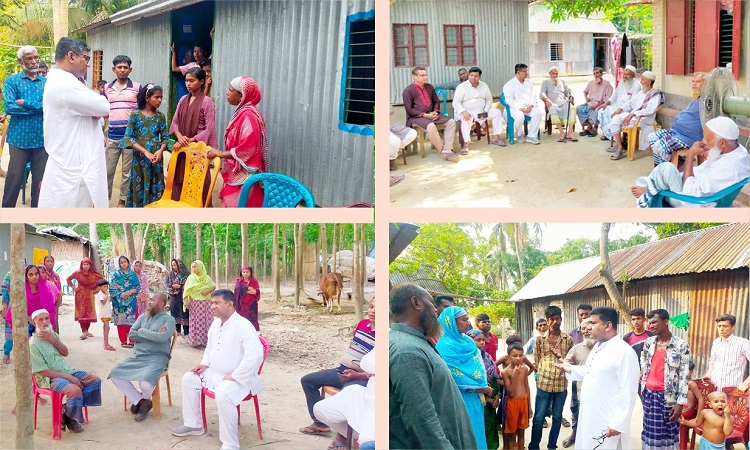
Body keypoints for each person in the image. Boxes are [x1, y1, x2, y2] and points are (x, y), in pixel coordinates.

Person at [171, 289, 264, 450]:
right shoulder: (215, 323)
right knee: (189, 378)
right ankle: (194, 425)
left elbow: (255, 356)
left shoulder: (243, 325)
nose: (212, 306)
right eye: (211, 303)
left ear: (229, 304)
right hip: (215, 373)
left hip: (239, 379)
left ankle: (230, 444)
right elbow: (210, 347)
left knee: (223, 393)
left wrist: (235, 376)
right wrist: (204, 363)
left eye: (216, 303)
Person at [389, 284, 477, 449]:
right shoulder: (407, 351)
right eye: (431, 302)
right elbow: (422, 419)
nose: (436, 309)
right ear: (416, 303)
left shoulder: (415, 343)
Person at [39, 37, 111, 208]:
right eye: (85, 58)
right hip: (74, 167)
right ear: (71, 56)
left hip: (69, 161)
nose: (88, 64)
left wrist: (94, 112)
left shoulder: (62, 81)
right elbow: (104, 106)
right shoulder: (65, 84)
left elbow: (97, 111)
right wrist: (96, 111)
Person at [555, 307, 640, 450]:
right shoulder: (598, 347)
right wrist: (571, 369)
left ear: (608, 325)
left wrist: (618, 423)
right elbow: (594, 372)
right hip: (590, 415)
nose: (588, 327)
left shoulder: (624, 352)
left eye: (593, 323)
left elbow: (628, 392)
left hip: (607, 418)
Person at [300, 300, 375, 448]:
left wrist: (356, 375)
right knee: (307, 380)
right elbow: (352, 346)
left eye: (378, 310)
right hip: (341, 371)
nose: (372, 311)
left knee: (347, 399)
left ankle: (343, 437)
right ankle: (320, 423)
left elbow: (377, 371)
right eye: (372, 307)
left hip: (361, 379)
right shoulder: (362, 324)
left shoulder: (388, 335)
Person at [631, 116, 750, 207]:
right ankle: (652, 187)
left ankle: (649, 193)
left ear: (722, 143)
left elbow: (690, 192)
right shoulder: (739, 152)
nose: (703, 141)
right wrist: (712, 153)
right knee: (650, 179)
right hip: (703, 191)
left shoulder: (729, 168)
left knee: (666, 169)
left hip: (691, 202)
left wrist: (690, 155)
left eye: (707, 138)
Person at [30, 308, 102, 433]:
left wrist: (53, 340)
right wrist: (70, 378)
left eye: (46, 318)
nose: (45, 322)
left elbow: (65, 352)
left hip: (66, 370)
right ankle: (72, 418)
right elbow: (43, 371)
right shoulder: (33, 344)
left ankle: (66, 412)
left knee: (95, 381)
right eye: (40, 320)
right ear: (34, 322)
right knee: (74, 390)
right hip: (49, 378)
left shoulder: (53, 335)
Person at [110, 292, 176, 422]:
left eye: (152, 300)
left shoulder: (169, 320)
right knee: (115, 375)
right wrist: (153, 335)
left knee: (145, 383)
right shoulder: (143, 317)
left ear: (161, 303)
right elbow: (131, 335)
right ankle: (142, 401)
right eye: (149, 299)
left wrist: (143, 332)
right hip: (138, 355)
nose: (149, 302)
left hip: (157, 357)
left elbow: (162, 337)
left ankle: (143, 400)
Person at [206, 76, 269, 207]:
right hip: (237, 169)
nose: (227, 93)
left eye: (230, 90)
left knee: (239, 206)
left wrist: (221, 154)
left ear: (241, 96)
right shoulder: (243, 112)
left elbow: (248, 148)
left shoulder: (248, 116)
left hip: (244, 174)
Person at [436, 306, 492, 449]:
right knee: (465, 434)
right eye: (464, 319)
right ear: (451, 322)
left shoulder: (467, 340)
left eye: (468, 319)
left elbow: (477, 366)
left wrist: (481, 388)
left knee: (477, 431)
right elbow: (452, 376)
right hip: (459, 397)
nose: (468, 322)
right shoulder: (444, 345)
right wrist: (481, 388)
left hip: (476, 398)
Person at [2, 45, 47, 208]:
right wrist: (38, 108)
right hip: (18, 140)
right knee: (14, 181)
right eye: (29, 58)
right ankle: (6, 215)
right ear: (20, 61)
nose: (34, 61)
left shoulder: (46, 83)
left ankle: (37, 216)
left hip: (42, 140)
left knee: (40, 183)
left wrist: (27, 104)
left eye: (36, 57)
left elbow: (49, 107)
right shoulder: (12, 81)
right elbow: (10, 107)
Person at [640, 309, 690, 450]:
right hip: (649, 394)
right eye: (649, 323)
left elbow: (684, 375)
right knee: (650, 431)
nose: (651, 326)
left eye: (654, 322)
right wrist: (643, 369)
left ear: (666, 322)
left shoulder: (681, 345)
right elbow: (643, 357)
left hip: (668, 397)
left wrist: (680, 403)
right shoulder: (649, 342)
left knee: (668, 434)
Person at [168, 67, 217, 204]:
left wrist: (190, 140)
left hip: (197, 151)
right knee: (179, 180)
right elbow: (174, 121)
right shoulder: (183, 99)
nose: (188, 84)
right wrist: (179, 137)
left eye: (192, 80)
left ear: (202, 81)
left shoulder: (207, 102)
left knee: (198, 182)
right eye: (186, 80)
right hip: (181, 148)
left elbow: (209, 129)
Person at [528, 305, 573, 450]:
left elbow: (570, 361)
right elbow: (537, 360)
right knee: (539, 418)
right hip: (544, 384)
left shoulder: (568, 339)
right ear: (547, 321)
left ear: (561, 319)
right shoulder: (540, 340)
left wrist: (562, 357)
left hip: (561, 385)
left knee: (558, 418)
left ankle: (552, 446)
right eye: (551, 319)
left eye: (557, 318)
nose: (555, 322)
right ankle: (534, 446)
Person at [313, 348, 376, 450]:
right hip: (365, 392)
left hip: (382, 403)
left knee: (367, 441)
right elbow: (365, 362)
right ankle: (353, 436)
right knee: (320, 409)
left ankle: (352, 438)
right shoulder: (388, 337)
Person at [120, 84, 167, 207]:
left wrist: (160, 151)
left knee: (155, 183)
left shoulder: (161, 116)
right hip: (139, 160)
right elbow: (128, 138)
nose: (160, 100)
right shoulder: (135, 114)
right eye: (156, 97)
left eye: (161, 97)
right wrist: (145, 152)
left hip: (156, 159)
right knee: (139, 183)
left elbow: (165, 138)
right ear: (147, 98)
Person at [104, 55, 141, 207]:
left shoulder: (137, 87)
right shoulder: (107, 88)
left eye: (125, 67)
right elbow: (103, 110)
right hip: (112, 136)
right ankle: (103, 200)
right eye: (119, 67)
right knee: (107, 171)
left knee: (127, 172)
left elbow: (141, 110)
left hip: (130, 138)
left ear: (130, 70)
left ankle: (122, 201)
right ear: (114, 69)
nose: (122, 70)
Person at [402, 66, 459, 162]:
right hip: (416, 117)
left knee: (451, 122)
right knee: (431, 126)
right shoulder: (408, 90)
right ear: (415, 77)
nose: (425, 77)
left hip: (431, 114)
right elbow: (409, 109)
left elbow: (436, 101)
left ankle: (448, 149)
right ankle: (442, 150)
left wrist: (435, 112)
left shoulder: (429, 87)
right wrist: (425, 115)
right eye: (422, 75)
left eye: (426, 75)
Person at [649, 72, 706, 166]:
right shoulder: (696, 98)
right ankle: (668, 163)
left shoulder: (707, 102)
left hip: (689, 138)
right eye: (693, 81)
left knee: (660, 147)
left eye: (698, 82)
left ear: (706, 84)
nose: (694, 84)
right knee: (652, 137)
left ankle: (663, 170)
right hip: (676, 132)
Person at [608, 71, 663, 160]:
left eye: (642, 80)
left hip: (644, 119)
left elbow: (650, 110)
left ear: (649, 82)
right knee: (615, 119)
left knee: (619, 119)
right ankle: (620, 146)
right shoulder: (642, 92)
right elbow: (631, 102)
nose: (640, 82)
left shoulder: (655, 94)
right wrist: (620, 109)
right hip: (635, 116)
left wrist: (633, 114)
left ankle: (619, 148)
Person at [453, 66, 506, 153]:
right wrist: (463, 111)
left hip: (482, 110)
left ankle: (496, 138)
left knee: (497, 112)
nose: (473, 77)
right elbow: (456, 102)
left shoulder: (484, 85)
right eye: (471, 75)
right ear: (468, 75)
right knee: (465, 119)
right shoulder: (461, 87)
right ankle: (465, 144)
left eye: (476, 76)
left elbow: (489, 99)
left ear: (479, 77)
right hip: (467, 111)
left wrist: (486, 109)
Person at [561, 318, 595, 448]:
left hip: (598, 390)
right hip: (579, 387)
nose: (587, 330)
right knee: (576, 411)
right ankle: (575, 435)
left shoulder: (602, 348)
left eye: (589, 327)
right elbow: (566, 364)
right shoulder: (576, 349)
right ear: (580, 331)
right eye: (583, 328)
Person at [468, 329, 502, 450]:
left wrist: (497, 396)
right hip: (476, 401)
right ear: (469, 341)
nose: (482, 342)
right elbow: (468, 385)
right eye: (478, 340)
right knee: (479, 430)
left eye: (483, 340)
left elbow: (495, 379)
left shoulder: (487, 357)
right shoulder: (468, 360)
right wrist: (486, 398)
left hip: (491, 403)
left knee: (491, 430)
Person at [703, 313, 750, 391]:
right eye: (719, 326)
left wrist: (746, 383)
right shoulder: (716, 342)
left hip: (732, 390)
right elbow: (712, 360)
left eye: (725, 326)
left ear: (732, 327)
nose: (721, 329)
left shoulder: (742, 343)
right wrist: (709, 373)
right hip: (714, 388)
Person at [596, 65, 640, 141]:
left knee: (614, 116)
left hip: (627, 109)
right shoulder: (621, 82)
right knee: (602, 110)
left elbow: (632, 102)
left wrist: (620, 109)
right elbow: (614, 96)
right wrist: (606, 103)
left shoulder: (637, 86)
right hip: (616, 106)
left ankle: (620, 138)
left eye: (627, 75)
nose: (625, 76)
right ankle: (609, 134)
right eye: (624, 74)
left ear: (633, 75)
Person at [502, 63, 542, 144]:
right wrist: (520, 107)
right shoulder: (509, 84)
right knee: (520, 117)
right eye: (524, 71)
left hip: (528, 107)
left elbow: (533, 94)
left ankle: (531, 136)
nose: (526, 73)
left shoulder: (528, 82)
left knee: (538, 113)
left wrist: (531, 104)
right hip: (514, 108)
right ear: (518, 73)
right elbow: (509, 100)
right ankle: (519, 134)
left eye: (527, 71)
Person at [502, 344, 532, 450]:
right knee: (511, 433)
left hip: (523, 402)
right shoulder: (505, 372)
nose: (518, 358)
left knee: (522, 432)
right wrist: (514, 376)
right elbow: (510, 392)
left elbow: (527, 388)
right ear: (509, 357)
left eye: (520, 355)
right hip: (512, 404)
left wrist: (529, 406)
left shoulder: (524, 369)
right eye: (514, 356)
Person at [66, 258, 104, 339]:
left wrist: (96, 290)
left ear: (90, 265)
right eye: (84, 264)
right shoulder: (77, 273)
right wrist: (73, 287)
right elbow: (68, 279)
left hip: (90, 295)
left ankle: (87, 331)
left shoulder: (94, 274)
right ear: (82, 265)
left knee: (89, 313)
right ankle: (83, 331)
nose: (86, 266)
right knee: (82, 313)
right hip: (80, 296)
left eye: (87, 264)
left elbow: (102, 281)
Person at [182, 260, 216, 348]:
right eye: (192, 267)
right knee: (196, 322)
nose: (194, 269)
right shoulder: (191, 278)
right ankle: (196, 341)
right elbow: (186, 291)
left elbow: (213, 286)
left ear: (200, 267)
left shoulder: (207, 277)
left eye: (195, 266)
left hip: (207, 303)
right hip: (196, 304)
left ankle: (207, 342)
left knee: (207, 321)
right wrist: (186, 302)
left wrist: (207, 291)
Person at [539, 66, 577, 142]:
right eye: (554, 73)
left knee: (572, 108)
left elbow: (568, 90)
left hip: (563, 102)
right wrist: (547, 99)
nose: (555, 75)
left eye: (557, 73)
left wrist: (570, 95)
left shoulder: (562, 82)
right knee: (553, 110)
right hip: (553, 103)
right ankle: (562, 133)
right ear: (550, 73)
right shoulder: (545, 82)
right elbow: (542, 93)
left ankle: (569, 133)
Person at [110, 256, 140, 348]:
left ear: (128, 262)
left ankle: (132, 340)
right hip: (119, 303)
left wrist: (130, 292)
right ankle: (123, 340)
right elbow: (112, 288)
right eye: (121, 262)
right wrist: (120, 294)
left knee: (132, 321)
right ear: (119, 264)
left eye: (125, 262)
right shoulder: (115, 274)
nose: (123, 264)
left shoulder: (133, 275)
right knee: (121, 321)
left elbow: (138, 287)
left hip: (131, 302)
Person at [576, 67, 612, 137]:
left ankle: (595, 129)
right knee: (578, 108)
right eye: (594, 73)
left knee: (597, 111)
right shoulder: (591, 83)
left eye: (597, 73)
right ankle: (589, 127)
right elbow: (585, 92)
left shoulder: (606, 83)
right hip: (590, 103)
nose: (596, 75)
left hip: (600, 104)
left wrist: (597, 105)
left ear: (601, 74)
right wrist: (586, 98)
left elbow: (607, 98)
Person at [679, 361, 705, 449]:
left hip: (688, 410)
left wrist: (698, 416)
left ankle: (682, 446)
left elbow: (700, 399)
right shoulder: (681, 382)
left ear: (690, 372)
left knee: (676, 418)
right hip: (682, 407)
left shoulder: (691, 383)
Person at [165, 258, 190, 336]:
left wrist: (180, 286)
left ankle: (186, 332)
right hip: (173, 297)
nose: (174, 267)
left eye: (175, 265)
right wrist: (172, 287)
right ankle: (177, 331)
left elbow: (189, 285)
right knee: (174, 312)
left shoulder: (186, 274)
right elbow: (166, 284)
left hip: (183, 296)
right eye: (172, 265)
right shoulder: (170, 274)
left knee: (184, 313)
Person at [389, 106, 417, 171]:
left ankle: (393, 150)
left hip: (390, 126)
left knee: (412, 133)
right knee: (395, 141)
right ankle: (391, 159)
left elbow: (391, 109)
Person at [233, 266, 260, 331]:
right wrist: (248, 288)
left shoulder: (254, 281)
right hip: (240, 304)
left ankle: (253, 332)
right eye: (243, 272)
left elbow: (255, 292)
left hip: (251, 304)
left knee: (252, 319)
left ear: (250, 272)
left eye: (247, 272)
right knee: (240, 319)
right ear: (241, 273)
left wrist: (243, 289)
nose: (245, 273)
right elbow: (237, 288)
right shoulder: (238, 281)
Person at [95, 279, 114, 351]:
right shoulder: (100, 294)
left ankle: (105, 342)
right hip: (104, 313)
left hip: (107, 312)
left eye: (106, 287)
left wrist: (110, 296)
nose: (105, 288)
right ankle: (106, 343)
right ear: (99, 287)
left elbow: (109, 300)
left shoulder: (105, 294)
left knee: (105, 327)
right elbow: (103, 302)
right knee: (107, 327)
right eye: (104, 286)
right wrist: (106, 295)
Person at [2, 271, 12, 363]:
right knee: (9, 333)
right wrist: (4, 308)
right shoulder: (9, 275)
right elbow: (5, 292)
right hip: (12, 309)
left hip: (27, 309)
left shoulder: (28, 273)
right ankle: (6, 352)